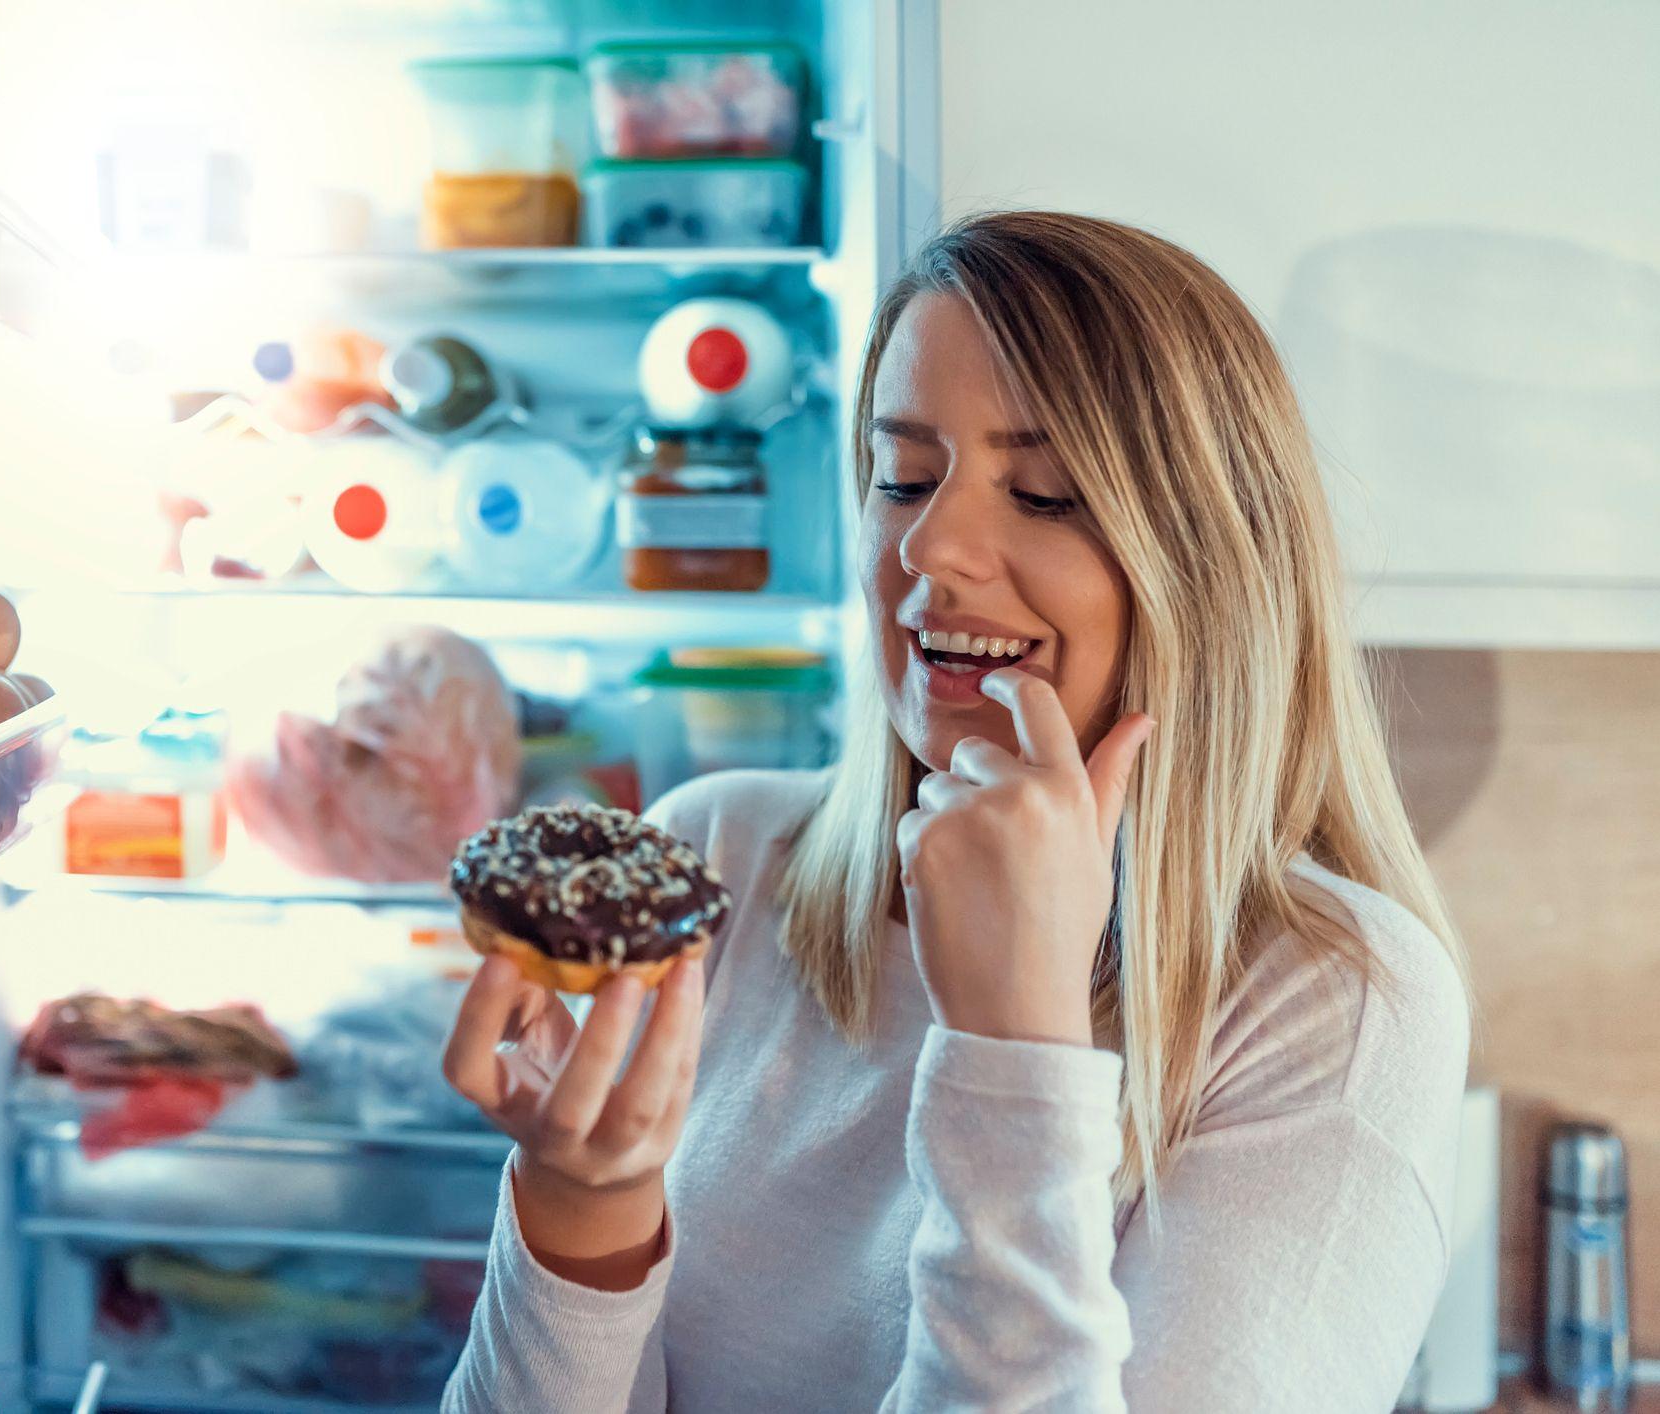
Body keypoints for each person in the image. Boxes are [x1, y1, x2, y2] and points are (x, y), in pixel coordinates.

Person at [438, 211, 1471, 1412]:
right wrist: (584, 1210)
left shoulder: (1335, 1001)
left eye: (1044, 494)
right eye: (904, 477)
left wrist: (1014, 1047)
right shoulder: (717, 853)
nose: (932, 546)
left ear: (1208, 558)